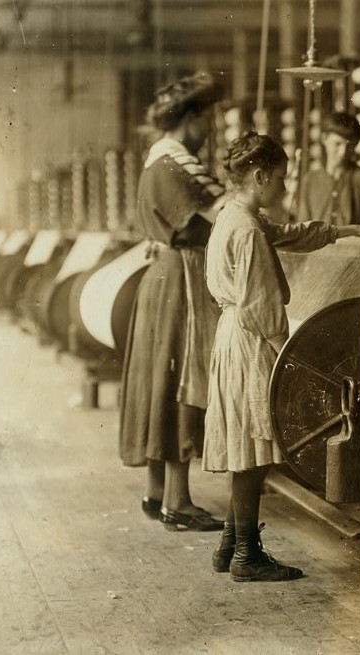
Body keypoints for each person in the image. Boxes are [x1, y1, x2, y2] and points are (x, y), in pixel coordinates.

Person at [203, 132, 360, 581]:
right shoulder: (246, 230)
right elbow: (265, 311)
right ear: (260, 176)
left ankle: (231, 543)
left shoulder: (232, 215)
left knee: (247, 445)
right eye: (281, 179)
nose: (285, 188)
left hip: (234, 337)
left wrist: (351, 231)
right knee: (254, 450)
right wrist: (300, 358)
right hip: (251, 341)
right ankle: (248, 555)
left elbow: (291, 234)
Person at [119, 72, 226, 532]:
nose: (211, 129)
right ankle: (179, 504)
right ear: (190, 119)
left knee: (159, 377)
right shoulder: (175, 166)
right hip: (180, 279)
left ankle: (157, 491)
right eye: (207, 119)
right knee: (186, 377)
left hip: (161, 277)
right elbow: (218, 218)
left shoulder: (156, 163)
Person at [296, 112, 360, 225]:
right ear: (324, 138)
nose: (343, 152)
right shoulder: (310, 180)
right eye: (337, 144)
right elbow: (303, 228)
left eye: (349, 145)